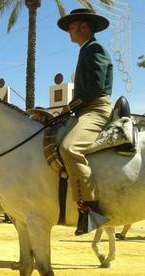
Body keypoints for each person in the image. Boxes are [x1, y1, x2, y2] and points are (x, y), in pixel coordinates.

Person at [57, 9, 113, 235]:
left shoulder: (94, 49)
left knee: (69, 147)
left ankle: (91, 209)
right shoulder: (85, 50)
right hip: (84, 109)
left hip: (96, 109)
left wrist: (70, 106)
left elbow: (96, 88)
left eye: (72, 26)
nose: (69, 30)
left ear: (83, 27)